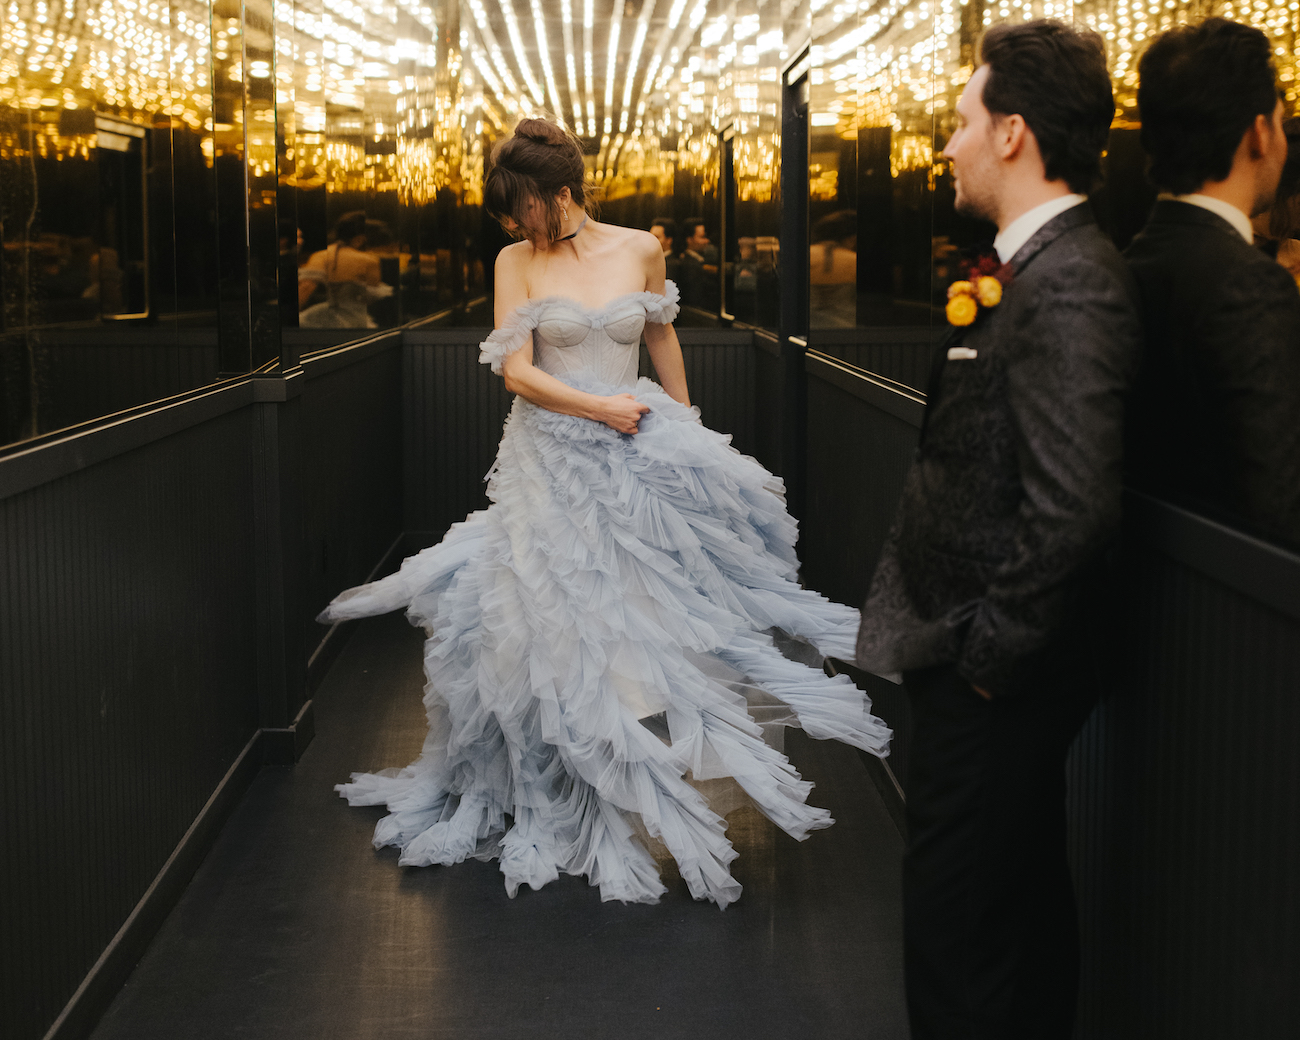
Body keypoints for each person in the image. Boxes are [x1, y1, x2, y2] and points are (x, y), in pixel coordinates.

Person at [318, 118, 891, 908]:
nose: (515, 223)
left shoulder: (640, 247)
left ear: (561, 194)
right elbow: (516, 372)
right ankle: (562, 782)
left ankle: (639, 770)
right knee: (553, 618)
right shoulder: (514, 261)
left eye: (522, 206)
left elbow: (661, 339)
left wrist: (686, 431)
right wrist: (599, 408)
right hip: (552, 456)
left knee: (657, 612)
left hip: (639, 445)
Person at [855, 21, 1140, 1039]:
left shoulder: (1072, 282)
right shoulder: (1031, 267)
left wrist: (985, 658)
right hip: (973, 658)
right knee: (1005, 925)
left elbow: (1073, 506)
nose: (946, 145)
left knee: (960, 941)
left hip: (995, 673)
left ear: (1012, 133)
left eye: (961, 122)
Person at [1125, 17, 1300, 548]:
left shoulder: (1127, 263)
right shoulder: (1249, 287)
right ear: (1259, 133)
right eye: (1279, 115)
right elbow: (1278, 509)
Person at [299, 210, 393, 328]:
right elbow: (372, 298)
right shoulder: (369, 260)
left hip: (326, 313)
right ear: (360, 239)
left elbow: (306, 287)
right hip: (356, 318)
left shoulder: (321, 256)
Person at [678, 217, 719, 309]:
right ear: (689, 240)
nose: (707, 241)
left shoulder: (700, 261)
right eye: (702, 237)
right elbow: (696, 299)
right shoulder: (690, 266)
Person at [649, 214, 680, 283]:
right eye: (650, 236)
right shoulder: (650, 260)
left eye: (657, 237)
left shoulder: (672, 264)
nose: (651, 239)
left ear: (669, 240)